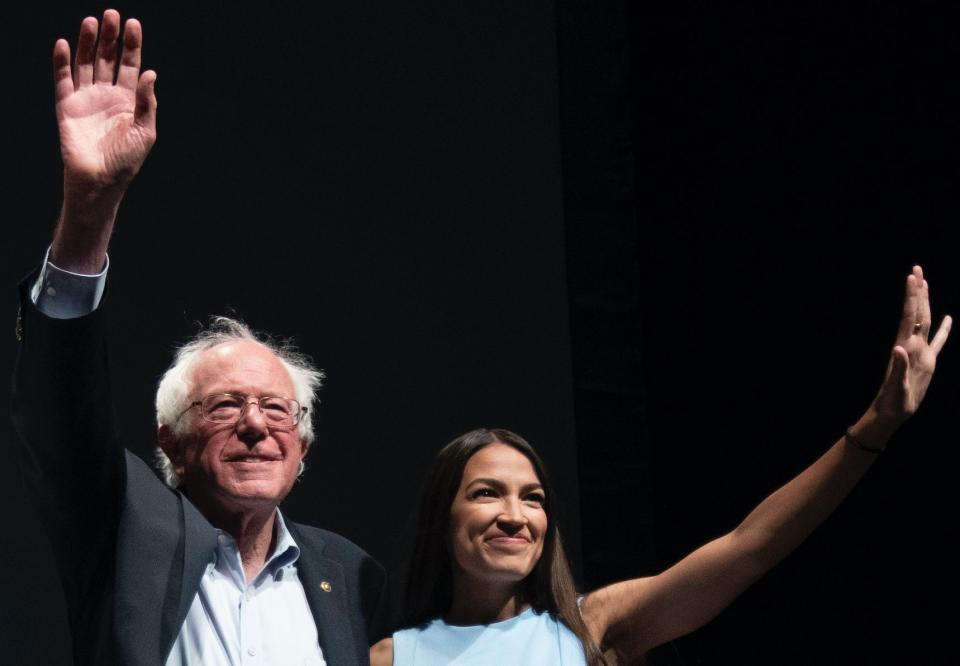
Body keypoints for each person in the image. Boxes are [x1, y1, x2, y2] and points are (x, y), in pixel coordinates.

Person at [13, 10, 385, 665]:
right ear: (170, 440)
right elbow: (60, 413)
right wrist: (90, 207)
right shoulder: (124, 530)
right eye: (223, 405)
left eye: (277, 409)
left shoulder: (352, 576)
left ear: (302, 445)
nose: (255, 425)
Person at [371, 266, 951, 665]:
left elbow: (751, 547)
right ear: (441, 518)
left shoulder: (593, 627)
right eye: (486, 494)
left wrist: (877, 424)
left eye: (534, 497)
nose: (515, 515)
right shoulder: (389, 656)